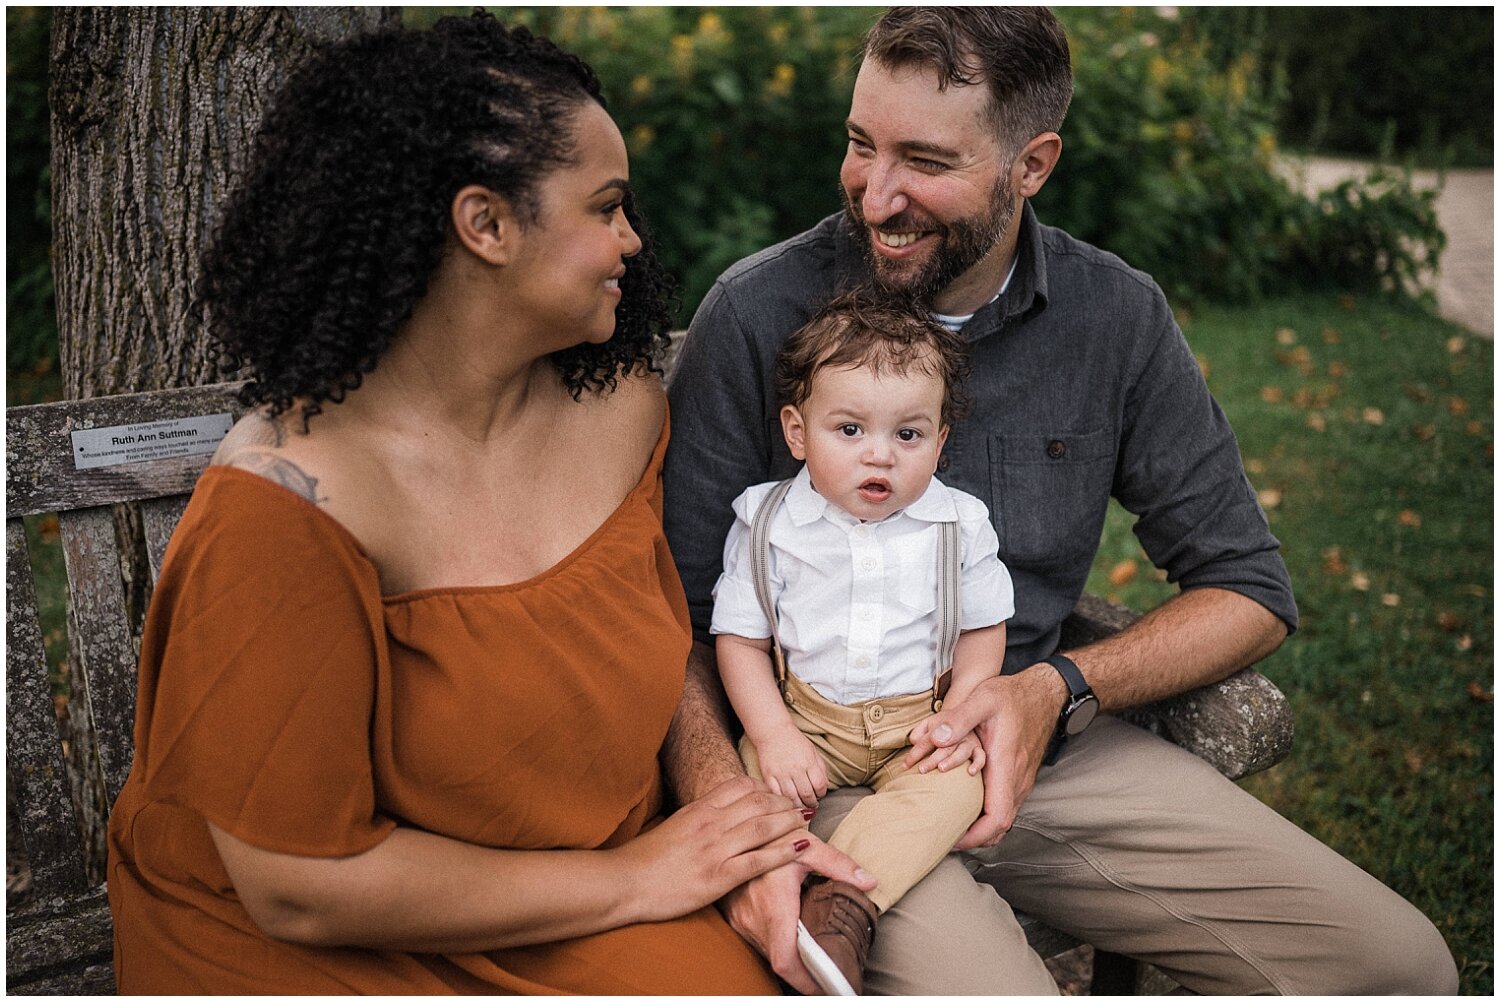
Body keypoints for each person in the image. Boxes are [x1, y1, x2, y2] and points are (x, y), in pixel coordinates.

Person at [664, 6, 1459, 995]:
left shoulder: (1113, 319)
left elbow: (1248, 590)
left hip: (1034, 747)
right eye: (860, 145)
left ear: (1031, 164)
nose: (876, 194)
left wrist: (1057, 691)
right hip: (814, 764)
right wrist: (733, 825)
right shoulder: (756, 314)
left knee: (1398, 966)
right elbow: (671, 621)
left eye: (924, 160)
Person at [104, 14, 871, 993]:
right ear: (487, 225)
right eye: (604, 206)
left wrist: (726, 817)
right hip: (328, 930)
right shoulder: (287, 502)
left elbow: (651, 632)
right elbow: (295, 885)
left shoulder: (621, 406)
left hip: (578, 887)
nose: (630, 240)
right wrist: (634, 878)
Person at [712, 291, 1011, 993]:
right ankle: (782, 883)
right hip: (803, 720)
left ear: (939, 442)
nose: (879, 455)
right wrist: (774, 733)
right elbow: (740, 642)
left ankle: (843, 907)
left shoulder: (959, 525)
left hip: (919, 725)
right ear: (797, 431)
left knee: (954, 791)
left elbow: (982, 631)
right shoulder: (768, 522)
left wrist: (960, 716)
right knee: (750, 785)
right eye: (849, 430)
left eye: (908, 436)